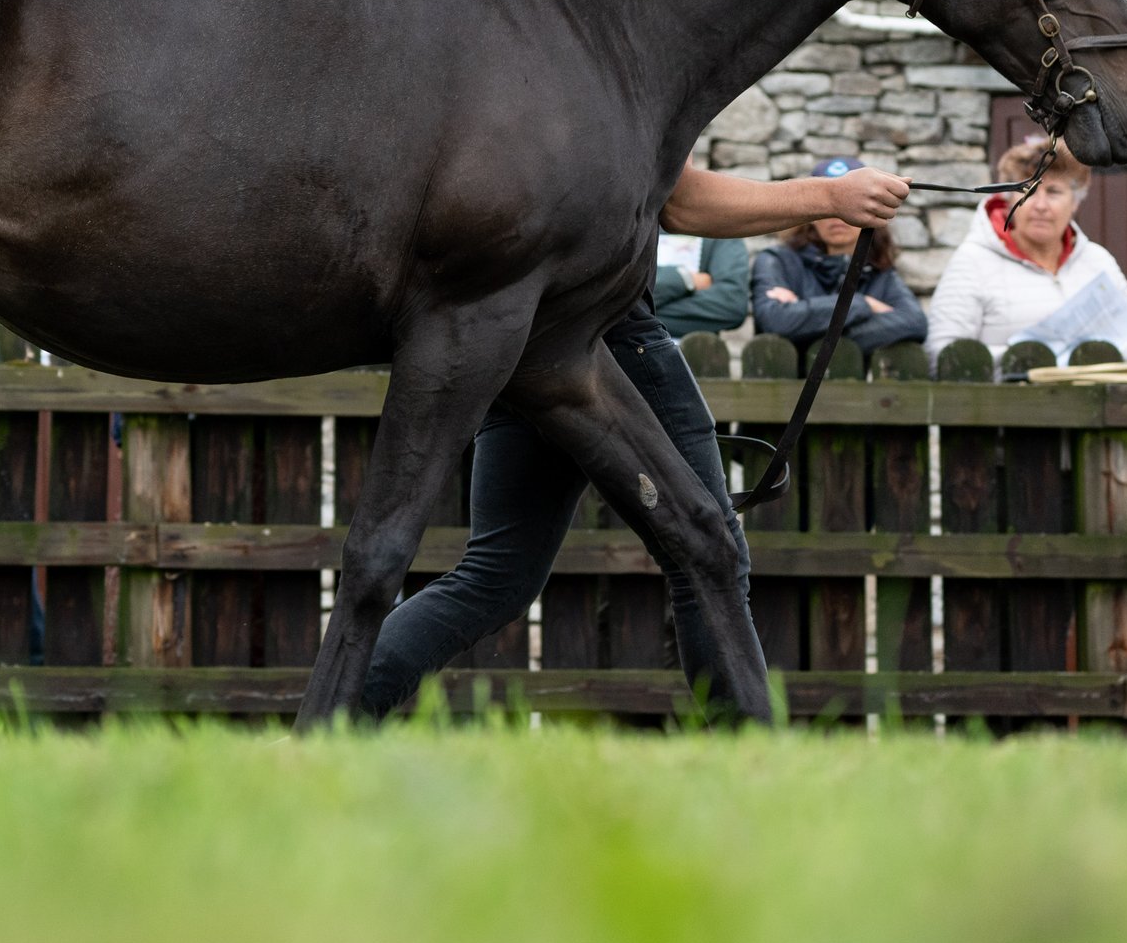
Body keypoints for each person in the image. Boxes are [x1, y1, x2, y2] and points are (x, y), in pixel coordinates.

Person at [361, 159, 910, 717]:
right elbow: (682, 200)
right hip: (614, 341)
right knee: (710, 556)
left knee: (495, 576)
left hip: (525, 345)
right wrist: (832, 195)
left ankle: (329, 719)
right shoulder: (606, 78)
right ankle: (749, 754)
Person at [924, 135, 1127, 359]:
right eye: (1028, 191)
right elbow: (943, 354)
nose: (1040, 206)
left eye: (1053, 192)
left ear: (1075, 201)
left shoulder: (1098, 261)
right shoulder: (973, 262)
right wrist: (1035, 359)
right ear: (1008, 200)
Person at [749, 154, 929, 359]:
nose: (838, 216)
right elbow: (774, 320)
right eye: (830, 203)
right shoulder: (777, 261)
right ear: (811, 214)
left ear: (871, 212)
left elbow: (914, 323)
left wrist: (806, 332)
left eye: (851, 203)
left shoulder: (880, 271)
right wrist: (862, 304)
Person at [652, 227, 752, 339]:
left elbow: (732, 305)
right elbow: (628, 292)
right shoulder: (632, 224)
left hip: (695, 351)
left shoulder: (722, 233)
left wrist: (640, 312)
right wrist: (685, 279)